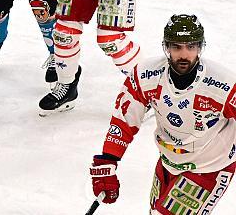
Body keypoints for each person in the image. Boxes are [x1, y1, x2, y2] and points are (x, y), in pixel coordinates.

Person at [90, 14, 236, 213]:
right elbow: (124, 120)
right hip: (169, 161)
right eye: (176, 47)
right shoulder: (145, 75)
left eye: (191, 47)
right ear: (166, 47)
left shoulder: (223, 85)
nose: (184, 54)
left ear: (200, 48)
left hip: (211, 166)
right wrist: (108, 160)